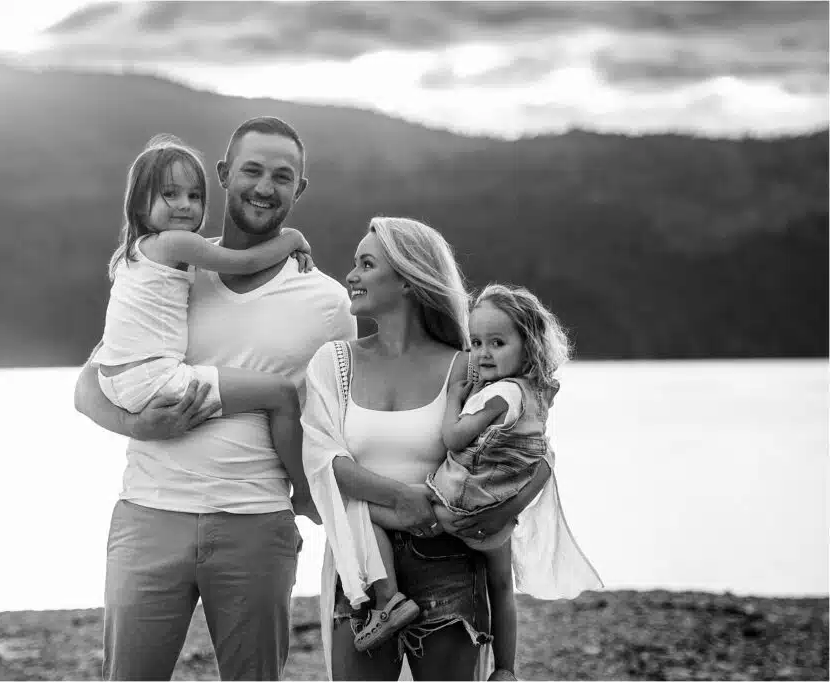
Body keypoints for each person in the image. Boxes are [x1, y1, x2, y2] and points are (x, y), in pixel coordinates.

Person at [74, 116, 356, 680]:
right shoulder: (172, 270)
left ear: (298, 189)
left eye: (282, 176)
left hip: (255, 523)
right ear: (226, 175)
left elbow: (342, 421)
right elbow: (89, 387)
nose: (264, 186)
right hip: (149, 515)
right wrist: (141, 426)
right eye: (251, 170)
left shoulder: (326, 302)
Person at [301, 217, 552, 681]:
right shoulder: (333, 363)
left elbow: (529, 452)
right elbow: (321, 458)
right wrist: (400, 497)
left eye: (366, 264)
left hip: (451, 563)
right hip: (362, 564)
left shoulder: (470, 365)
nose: (351, 275)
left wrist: (496, 514)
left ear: (408, 280)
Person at [92, 132, 319, 522]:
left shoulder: (132, 253)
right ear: (139, 200)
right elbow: (242, 262)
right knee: (280, 394)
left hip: (116, 379)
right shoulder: (175, 244)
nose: (184, 205)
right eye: (170, 194)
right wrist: (291, 239)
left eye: (194, 196)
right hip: (154, 378)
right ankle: (304, 493)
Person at [424, 283, 603, 679]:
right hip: (500, 513)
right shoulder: (534, 394)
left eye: (497, 342)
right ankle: (504, 669)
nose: (483, 353)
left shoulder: (500, 394)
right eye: (475, 342)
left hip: (462, 505)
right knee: (501, 588)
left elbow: (453, 438)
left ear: (528, 345)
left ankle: (386, 598)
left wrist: (454, 396)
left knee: (389, 512)